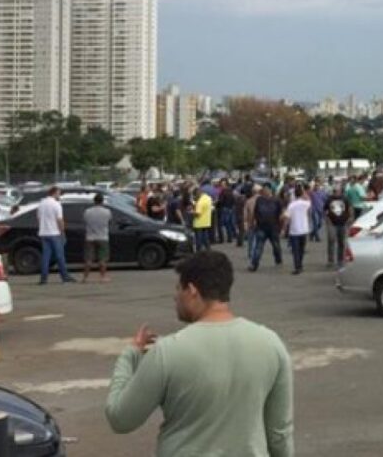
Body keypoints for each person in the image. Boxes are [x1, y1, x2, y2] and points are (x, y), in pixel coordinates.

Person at [105, 252, 293, 457]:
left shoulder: (167, 352)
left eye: (178, 289)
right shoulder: (271, 344)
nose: (175, 296)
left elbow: (120, 418)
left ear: (192, 290)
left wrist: (130, 355)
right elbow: (279, 434)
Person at [38, 186, 75, 285]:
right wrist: (62, 231)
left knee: (46, 256)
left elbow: (38, 218)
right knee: (60, 256)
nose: (59, 195)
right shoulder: (56, 204)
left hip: (44, 233)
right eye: (59, 193)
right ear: (54, 193)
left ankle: (43, 278)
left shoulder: (41, 203)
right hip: (54, 233)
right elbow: (59, 220)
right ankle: (65, 277)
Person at [250, 184, 284, 271]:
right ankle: (254, 264)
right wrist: (253, 221)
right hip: (261, 227)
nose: (265, 191)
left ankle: (278, 259)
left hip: (273, 227)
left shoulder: (277, 200)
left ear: (271, 190)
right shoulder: (259, 200)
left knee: (276, 246)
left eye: (267, 189)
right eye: (264, 190)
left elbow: (281, 213)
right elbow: (255, 211)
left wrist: (282, 226)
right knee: (258, 247)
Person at [83, 193, 112, 283]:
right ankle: (102, 277)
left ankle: (85, 278)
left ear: (94, 201)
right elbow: (109, 222)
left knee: (88, 259)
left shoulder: (87, 211)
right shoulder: (107, 212)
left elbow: (85, 221)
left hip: (90, 237)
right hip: (103, 237)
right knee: (102, 258)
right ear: (102, 201)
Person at [283, 185, 310, 275]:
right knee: (302, 249)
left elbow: (287, 217)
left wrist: (284, 228)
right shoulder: (305, 203)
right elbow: (309, 200)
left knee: (295, 250)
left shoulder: (291, 205)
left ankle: (297, 266)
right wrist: (304, 193)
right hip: (304, 229)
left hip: (294, 230)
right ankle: (300, 265)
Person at [325, 184, 352, 268]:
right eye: (334, 191)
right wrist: (327, 220)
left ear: (340, 191)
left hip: (343, 223)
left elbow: (350, 208)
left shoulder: (345, 199)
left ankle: (340, 260)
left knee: (341, 243)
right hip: (332, 224)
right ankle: (331, 261)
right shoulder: (329, 199)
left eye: (337, 191)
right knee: (331, 241)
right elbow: (325, 210)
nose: (335, 193)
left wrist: (349, 218)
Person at [192, 188, 213, 252]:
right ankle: (209, 250)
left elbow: (198, 214)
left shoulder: (200, 202)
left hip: (199, 223)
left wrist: (191, 212)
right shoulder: (208, 198)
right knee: (206, 238)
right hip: (206, 221)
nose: (195, 197)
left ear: (197, 194)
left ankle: (198, 252)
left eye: (195, 195)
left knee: (199, 239)